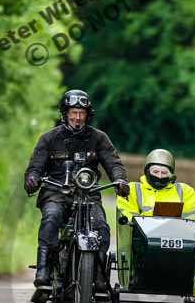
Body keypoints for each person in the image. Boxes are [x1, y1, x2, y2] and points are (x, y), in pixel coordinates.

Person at [24, 89, 129, 287]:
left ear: (88, 115)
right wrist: (32, 179)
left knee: (101, 227)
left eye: (82, 113)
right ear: (65, 113)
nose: (78, 117)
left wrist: (120, 180)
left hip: (88, 195)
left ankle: (97, 274)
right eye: (74, 112)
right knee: (51, 217)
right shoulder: (48, 138)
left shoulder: (99, 138)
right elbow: (34, 168)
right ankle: (44, 269)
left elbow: (114, 163)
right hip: (56, 193)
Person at [116, 149, 195, 222]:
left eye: (164, 173)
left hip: (176, 237)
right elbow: (126, 213)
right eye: (155, 172)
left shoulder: (185, 190)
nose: (159, 176)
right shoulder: (131, 189)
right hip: (141, 239)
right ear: (147, 172)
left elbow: (194, 214)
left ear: (171, 175)